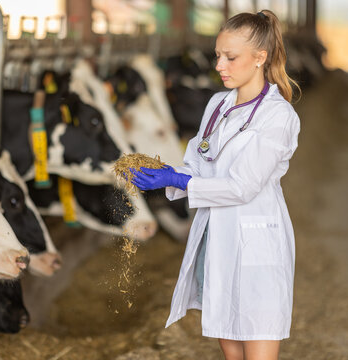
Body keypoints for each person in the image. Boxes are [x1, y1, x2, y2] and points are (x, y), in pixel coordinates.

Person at [128, 9, 301, 360]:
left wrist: (179, 180)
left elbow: (242, 187)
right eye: (218, 55)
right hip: (215, 238)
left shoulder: (278, 116)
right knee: (228, 342)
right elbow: (197, 163)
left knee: (257, 331)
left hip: (255, 243)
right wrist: (162, 174)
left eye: (230, 57)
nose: (219, 65)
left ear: (260, 58)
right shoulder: (217, 104)